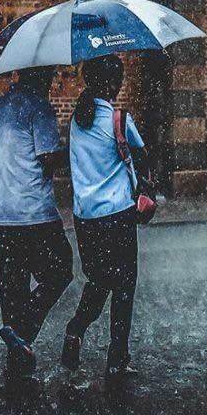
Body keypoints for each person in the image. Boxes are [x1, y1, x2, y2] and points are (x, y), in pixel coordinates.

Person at [0, 66, 72, 376]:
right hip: (33, 212)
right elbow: (48, 157)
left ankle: (17, 358)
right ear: (42, 79)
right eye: (50, 80)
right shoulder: (39, 107)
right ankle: (23, 331)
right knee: (60, 270)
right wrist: (73, 151)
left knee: (12, 283)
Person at [61, 55, 148, 380]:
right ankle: (117, 357)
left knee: (99, 279)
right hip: (117, 214)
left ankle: (77, 328)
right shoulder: (118, 119)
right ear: (113, 83)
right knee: (124, 286)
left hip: (85, 216)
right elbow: (141, 155)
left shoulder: (77, 119)